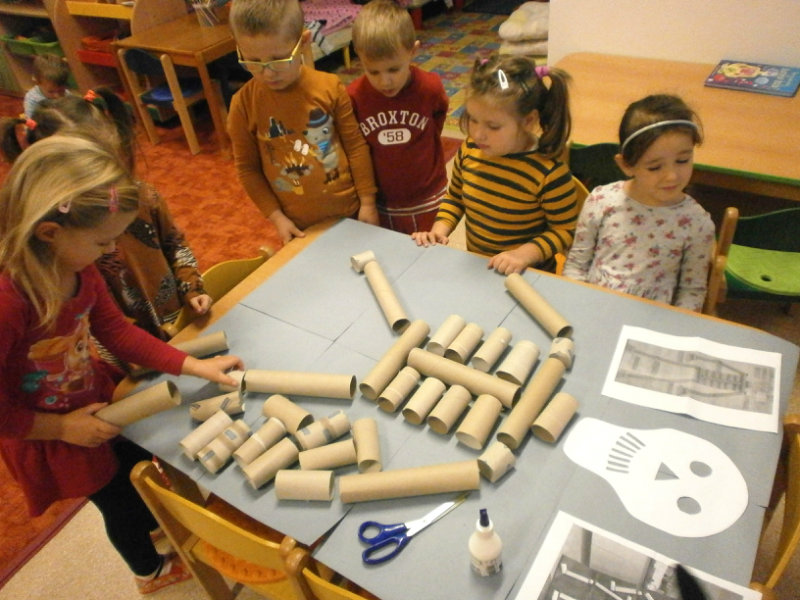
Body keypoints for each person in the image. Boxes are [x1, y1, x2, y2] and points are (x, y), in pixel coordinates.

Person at [0, 135, 243, 593]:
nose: (111, 250)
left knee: (137, 464)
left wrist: (194, 366)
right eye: (103, 241)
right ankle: (148, 570)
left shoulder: (79, 264)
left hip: (94, 394)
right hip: (50, 429)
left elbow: (116, 332)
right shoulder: (10, 301)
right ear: (50, 233)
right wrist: (60, 428)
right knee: (118, 502)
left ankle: (151, 523)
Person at [1, 89, 212, 341]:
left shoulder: (140, 197)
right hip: (121, 338)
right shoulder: (57, 235)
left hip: (175, 315)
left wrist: (192, 288)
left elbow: (175, 243)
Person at [227, 0, 378, 244]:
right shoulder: (242, 105)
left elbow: (356, 147)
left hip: (350, 213)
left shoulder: (330, 87)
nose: (268, 72)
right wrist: (277, 218)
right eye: (253, 61)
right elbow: (248, 169)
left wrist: (368, 201)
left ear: (304, 42)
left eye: (279, 59)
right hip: (298, 227)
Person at [411, 53, 578, 275]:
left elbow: (565, 230)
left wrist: (524, 254)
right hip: (481, 270)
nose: (478, 134)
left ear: (528, 121)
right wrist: (438, 231)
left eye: (493, 126)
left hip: (526, 276)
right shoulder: (470, 149)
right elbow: (455, 198)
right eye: (473, 119)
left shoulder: (549, 172)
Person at [562, 94, 715, 311]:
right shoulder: (601, 201)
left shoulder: (696, 222)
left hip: (652, 319)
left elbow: (692, 291)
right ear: (626, 165)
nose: (671, 176)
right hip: (593, 307)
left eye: (682, 160)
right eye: (655, 167)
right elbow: (577, 265)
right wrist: (574, 307)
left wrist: (676, 325)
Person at [347, 0, 449, 234]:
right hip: (382, 203)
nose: (385, 81)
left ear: (413, 51)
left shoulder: (430, 87)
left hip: (428, 197)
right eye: (373, 71)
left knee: (431, 249)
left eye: (393, 69)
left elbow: (438, 117)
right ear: (359, 58)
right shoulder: (353, 96)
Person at [23, 53, 70, 118]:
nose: (57, 96)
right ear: (36, 82)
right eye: (51, 92)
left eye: (61, 90)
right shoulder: (32, 99)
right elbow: (31, 121)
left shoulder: (67, 94)